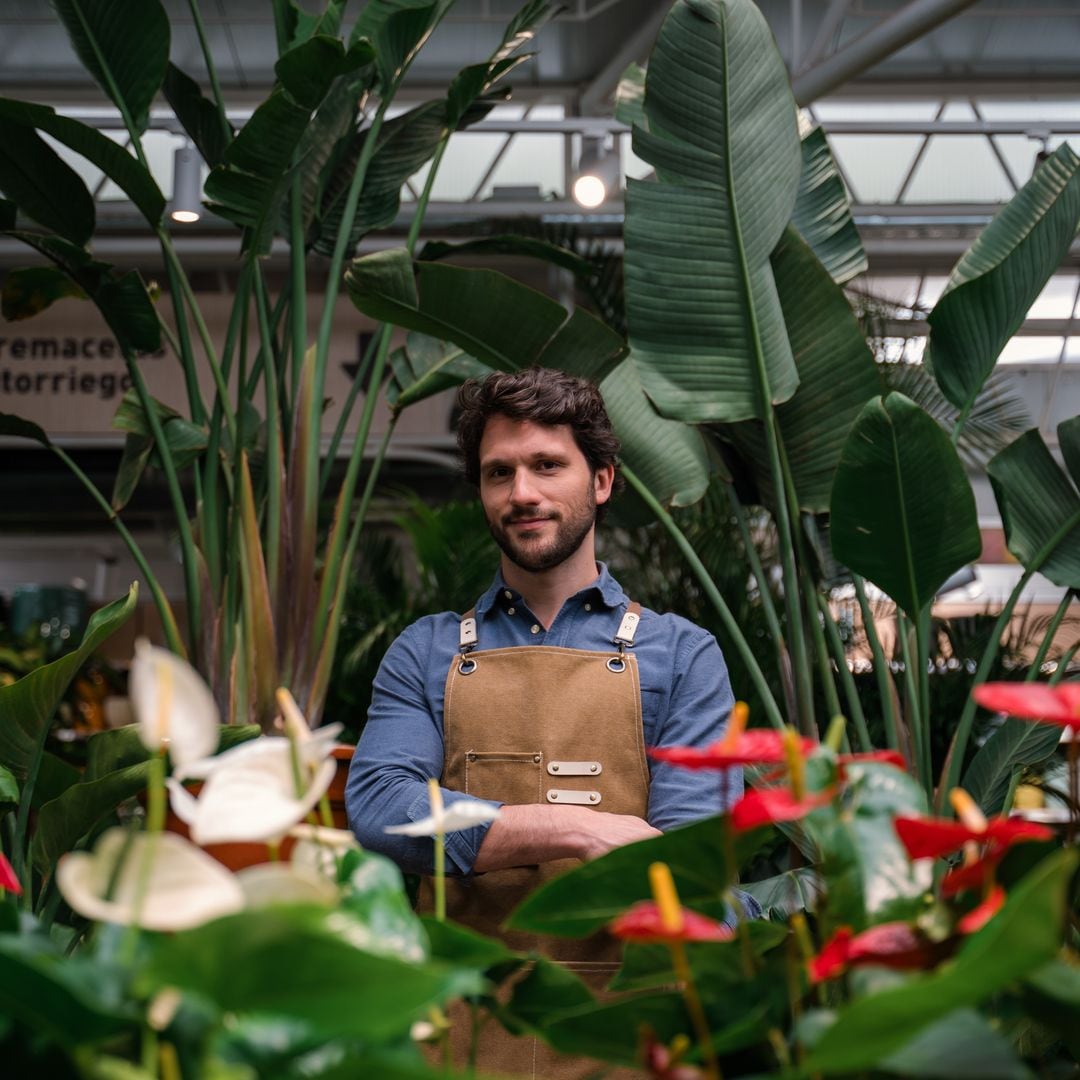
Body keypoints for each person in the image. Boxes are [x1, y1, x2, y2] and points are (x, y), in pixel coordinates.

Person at [346, 366, 747, 1076]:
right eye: (499, 473)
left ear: (602, 481)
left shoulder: (681, 655)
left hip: (626, 1033)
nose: (522, 493)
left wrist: (484, 831)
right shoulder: (427, 650)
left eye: (546, 466)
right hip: (462, 1030)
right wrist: (576, 828)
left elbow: (689, 861)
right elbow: (383, 810)